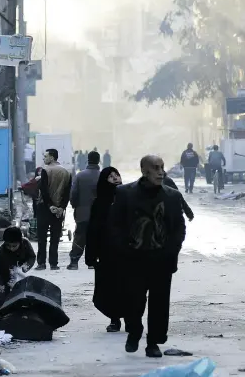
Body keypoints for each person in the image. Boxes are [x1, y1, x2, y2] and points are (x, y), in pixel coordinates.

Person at [110, 155, 186, 358]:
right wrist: (122, 249)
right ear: (144, 171)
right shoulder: (125, 194)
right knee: (133, 301)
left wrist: (171, 250)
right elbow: (114, 225)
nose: (161, 171)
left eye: (162, 167)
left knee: (160, 303)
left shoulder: (172, 196)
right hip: (133, 258)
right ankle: (134, 332)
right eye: (156, 168)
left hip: (161, 259)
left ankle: (153, 342)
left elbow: (179, 227)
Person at [85, 167, 124, 333]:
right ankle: (115, 319)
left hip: (127, 251)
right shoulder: (99, 203)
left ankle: (131, 317)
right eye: (110, 176)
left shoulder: (128, 197)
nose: (115, 178)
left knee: (130, 286)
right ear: (103, 180)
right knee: (109, 287)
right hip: (107, 253)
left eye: (116, 175)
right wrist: (91, 255)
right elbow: (93, 230)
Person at [35, 149, 72, 271]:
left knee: (42, 237)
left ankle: (41, 263)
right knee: (55, 238)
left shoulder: (45, 170)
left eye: (45, 156)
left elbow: (44, 190)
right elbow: (67, 193)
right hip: (59, 210)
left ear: (52, 157)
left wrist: (50, 205)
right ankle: (54, 263)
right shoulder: (66, 172)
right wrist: (61, 207)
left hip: (45, 208)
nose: (44, 158)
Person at [67, 151, 101, 270]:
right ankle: (92, 262)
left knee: (80, 236)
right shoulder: (103, 176)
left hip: (82, 212)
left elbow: (74, 194)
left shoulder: (80, 176)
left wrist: (75, 205)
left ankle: (74, 262)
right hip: (100, 215)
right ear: (99, 160)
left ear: (88, 160)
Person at [0, 226, 36, 309]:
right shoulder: (1, 253)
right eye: (8, 246)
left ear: (20, 242)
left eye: (14, 246)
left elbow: (32, 257)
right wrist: (4, 283)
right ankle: (1, 315)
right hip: (2, 271)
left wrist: (25, 267)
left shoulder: (26, 243)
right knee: (2, 294)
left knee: (21, 291)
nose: (11, 248)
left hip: (20, 269)